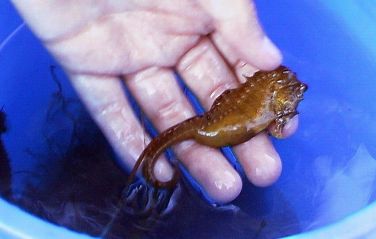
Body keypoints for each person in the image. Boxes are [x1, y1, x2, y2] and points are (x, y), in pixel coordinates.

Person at [11, 0, 298, 204]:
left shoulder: (271, 93)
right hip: (224, 118)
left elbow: (273, 116)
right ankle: (151, 171)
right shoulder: (266, 90)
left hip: (228, 117)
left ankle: (152, 171)